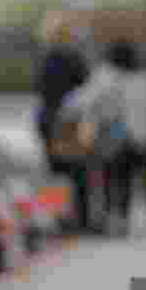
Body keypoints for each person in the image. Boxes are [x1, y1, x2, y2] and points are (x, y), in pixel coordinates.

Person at [63, 40, 146, 235]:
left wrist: (68, 107)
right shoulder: (142, 78)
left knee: (108, 177)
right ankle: (123, 219)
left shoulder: (105, 76)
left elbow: (84, 100)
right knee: (126, 178)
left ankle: (108, 219)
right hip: (136, 135)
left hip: (112, 132)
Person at [36, 23, 93, 232]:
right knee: (78, 172)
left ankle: (57, 219)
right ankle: (82, 219)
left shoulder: (46, 60)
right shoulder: (75, 59)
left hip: (51, 121)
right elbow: (86, 87)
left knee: (54, 172)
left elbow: (41, 91)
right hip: (71, 121)